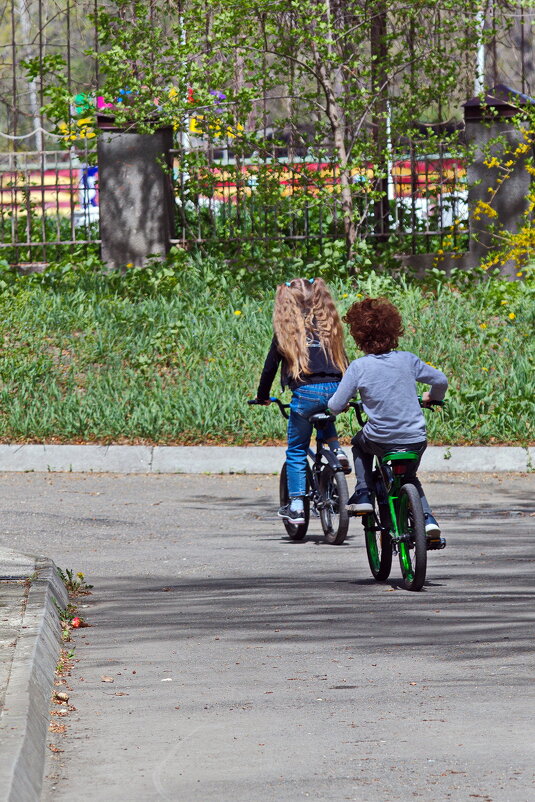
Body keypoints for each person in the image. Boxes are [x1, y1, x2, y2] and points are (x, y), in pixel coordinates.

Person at [327, 296, 448, 537]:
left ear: (359, 336)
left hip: (380, 439)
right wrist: (432, 397)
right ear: (394, 330)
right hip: (415, 438)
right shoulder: (407, 359)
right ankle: (428, 520)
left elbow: (335, 404)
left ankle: (363, 492)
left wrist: (336, 409)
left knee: (359, 444)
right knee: (410, 478)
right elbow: (440, 380)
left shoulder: (359, 367)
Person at [255, 277, 350, 525]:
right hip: (336, 389)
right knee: (326, 409)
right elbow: (346, 363)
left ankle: (297, 505)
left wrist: (262, 396)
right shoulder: (329, 326)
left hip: (306, 393)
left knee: (296, 450)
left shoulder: (286, 331)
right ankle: (337, 450)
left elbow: (269, 369)